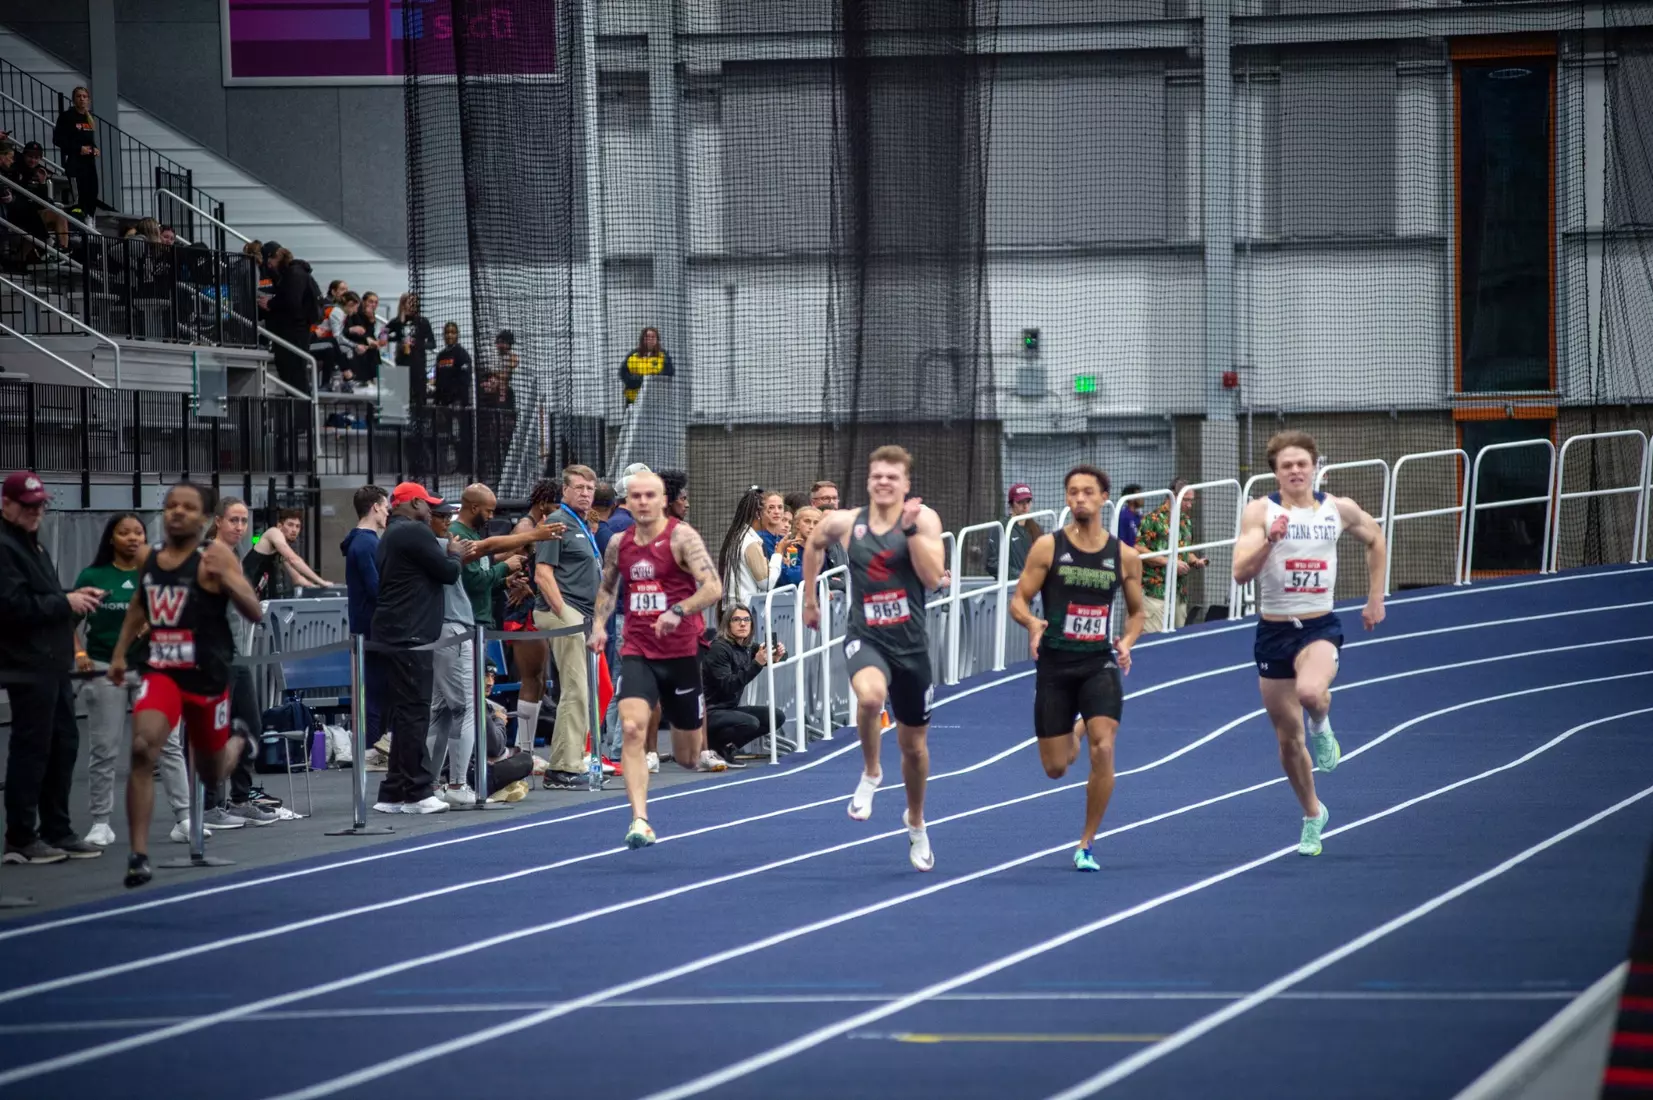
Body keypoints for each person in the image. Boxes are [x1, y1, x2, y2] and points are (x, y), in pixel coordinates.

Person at [1231, 430, 1387, 857]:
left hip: (1319, 626)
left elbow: (1376, 539)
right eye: (1287, 465)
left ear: (1315, 466)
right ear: (1276, 472)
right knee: (1287, 742)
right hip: (1274, 632)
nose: (1296, 471)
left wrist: (1375, 598)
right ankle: (1313, 814)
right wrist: (1271, 540)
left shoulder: (1339, 509)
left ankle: (1321, 724)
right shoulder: (1260, 512)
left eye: (1302, 463)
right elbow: (1241, 573)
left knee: (1311, 692)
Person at [107, 482, 264, 887]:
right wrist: (121, 653)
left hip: (206, 676)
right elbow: (139, 605)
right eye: (171, 505)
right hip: (162, 671)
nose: (177, 512)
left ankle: (239, 740)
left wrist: (228, 582)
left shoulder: (216, 556)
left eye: (188, 507)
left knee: (211, 773)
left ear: (203, 518)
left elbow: (254, 611)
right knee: (142, 748)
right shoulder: (149, 557)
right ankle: (138, 856)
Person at [802, 445, 946, 872]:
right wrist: (810, 599)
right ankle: (871, 771)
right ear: (868, 481)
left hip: (911, 645)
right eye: (877, 475)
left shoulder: (924, 519)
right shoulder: (847, 522)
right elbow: (813, 543)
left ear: (906, 484)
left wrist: (910, 531)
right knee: (869, 698)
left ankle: (916, 821)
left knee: (914, 749)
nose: (883, 482)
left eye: (892, 477)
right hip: (866, 636)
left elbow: (932, 578)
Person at [1009, 465, 1146, 872]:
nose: (1080, 499)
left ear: (1104, 497)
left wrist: (1127, 642)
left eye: (1088, 492)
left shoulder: (1124, 556)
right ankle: (1078, 725)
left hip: (1098, 662)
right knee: (1056, 767)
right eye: (1073, 492)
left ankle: (1086, 842)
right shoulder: (1048, 547)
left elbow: (1137, 613)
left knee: (1103, 747)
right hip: (1055, 665)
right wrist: (1032, 623)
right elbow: (1018, 599)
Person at [589, 472, 727, 849]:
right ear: (627, 501)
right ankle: (640, 820)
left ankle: (690, 740)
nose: (643, 502)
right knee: (632, 727)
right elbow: (607, 588)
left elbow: (714, 587)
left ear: (663, 500)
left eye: (650, 495)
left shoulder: (682, 537)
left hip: (680, 653)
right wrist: (599, 626)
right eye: (636, 496)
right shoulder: (619, 543)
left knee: (687, 757)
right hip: (638, 648)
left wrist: (678, 610)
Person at [0, 472, 104, 865]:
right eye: (27, 506)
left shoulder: (31, 544)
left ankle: (56, 829)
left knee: (62, 744)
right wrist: (66, 602)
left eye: (40, 505)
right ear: (6, 505)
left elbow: (38, 596)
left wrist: (71, 596)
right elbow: (11, 606)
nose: (35, 512)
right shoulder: (6, 547)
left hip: (51, 661)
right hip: (27, 664)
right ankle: (21, 836)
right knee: (33, 748)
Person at [74, 513, 195, 848]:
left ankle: (184, 819)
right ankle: (100, 822)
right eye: (124, 532)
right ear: (111, 538)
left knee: (168, 744)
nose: (132, 538)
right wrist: (80, 654)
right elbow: (68, 621)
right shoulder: (93, 576)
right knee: (104, 747)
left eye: (138, 532)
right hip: (105, 668)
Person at [369, 482, 463, 815]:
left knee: (405, 714)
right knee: (414, 713)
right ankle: (417, 791)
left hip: (395, 632)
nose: (431, 511)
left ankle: (394, 791)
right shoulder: (413, 532)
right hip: (410, 635)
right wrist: (456, 554)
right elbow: (448, 572)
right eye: (426, 504)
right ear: (412, 505)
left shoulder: (391, 535)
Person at [533, 466, 601, 789]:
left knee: (582, 690)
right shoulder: (558, 522)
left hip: (583, 615)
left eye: (590, 488)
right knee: (576, 690)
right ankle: (563, 768)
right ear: (565, 491)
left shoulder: (581, 524)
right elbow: (542, 574)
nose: (585, 493)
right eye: (579, 487)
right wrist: (566, 614)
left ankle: (572, 758)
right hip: (563, 613)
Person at [700, 606, 786, 769]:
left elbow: (770, 655)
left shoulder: (746, 647)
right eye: (736, 620)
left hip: (728, 710)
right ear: (727, 624)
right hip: (708, 713)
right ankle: (713, 746)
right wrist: (757, 664)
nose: (743, 624)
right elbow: (728, 686)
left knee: (775, 716)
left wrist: (777, 656)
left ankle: (726, 748)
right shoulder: (719, 649)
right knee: (750, 722)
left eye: (747, 620)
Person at [341, 486, 389, 763]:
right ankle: (372, 748)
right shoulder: (366, 544)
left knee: (375, 688)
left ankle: (374, 747)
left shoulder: (360, 542)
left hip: (367, 627)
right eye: (385, 507)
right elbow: (377, 589)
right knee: (375, 690)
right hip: (373, 629)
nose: (388, 512)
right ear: (375, 507)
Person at [1137, 478, 1207, 632]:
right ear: (1173, 496)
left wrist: (1195, 560)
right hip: (1155, 592)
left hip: (1179, 593)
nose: (1189, 505)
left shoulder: (1186, 521)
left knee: (1178, 639)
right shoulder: (1152, 519)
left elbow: (1184, 550)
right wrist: (1169, 562)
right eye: (1186, 500)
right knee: (1153, 639)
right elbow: (1139, 549)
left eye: (1192, 501)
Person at [717, 487, 784, 614]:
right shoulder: (750, 542)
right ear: (758, 514)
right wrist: (778, 553)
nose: (775, 513)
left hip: (736, 610)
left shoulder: (740, 536)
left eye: (780, 507)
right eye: (769, 509)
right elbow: (766, 583)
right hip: (744, 611)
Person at [242, 508, 329, 599]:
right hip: (240, 590)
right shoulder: (274, 532)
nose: (294, 530)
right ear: (280, 526)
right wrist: (321, 581)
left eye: (297, 526)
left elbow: (297, 579)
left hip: (251, 595)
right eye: (290, 525)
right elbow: (294, 560)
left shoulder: (280, 549)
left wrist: (316, 588)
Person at [51, 85, 99, 218]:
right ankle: (79, 220)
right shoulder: (67, 116)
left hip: (89, 162)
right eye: (79, 96)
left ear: (88, 100)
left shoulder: (88, 117)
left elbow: (87, 139)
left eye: (84, 96)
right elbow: (58, 139)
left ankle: (90, 218)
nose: (82, 99)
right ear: (73, 99)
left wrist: (94, 148)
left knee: (92, 192)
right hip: (75, 163)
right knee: (79, 196)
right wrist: (78, 148)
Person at [983, 483, 1042, 579]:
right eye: (1020, 502)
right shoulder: (1000, 528)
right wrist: (1020, 576)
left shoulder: (1037, 529)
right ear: (1011, 504)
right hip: (1010, 586)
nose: (1025, 506)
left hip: (1034, 585)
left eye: (1028, 501)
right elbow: (992, 563)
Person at [388, 293, 436, 405]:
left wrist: (417, 344)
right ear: (403, 304)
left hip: (418, 366)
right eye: (410, 302)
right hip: (402, 365)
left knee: (420, 399)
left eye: (415, 302)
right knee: (403, 398)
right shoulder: (397, 322)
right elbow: (382, 335)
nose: (413, 304)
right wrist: (398, 339)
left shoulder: (422, 322)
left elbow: (432, 344)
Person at [619, 326, 674, 405]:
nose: (650, 339)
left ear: (657, 340)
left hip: (657, 400)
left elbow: (669, 373)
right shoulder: (633, 355)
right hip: (633, 400)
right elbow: (623, 374)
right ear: (642, 339)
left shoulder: (663, 356)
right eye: (647, 337)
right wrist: (640, 379)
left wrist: (650, 379)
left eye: (653, 337)